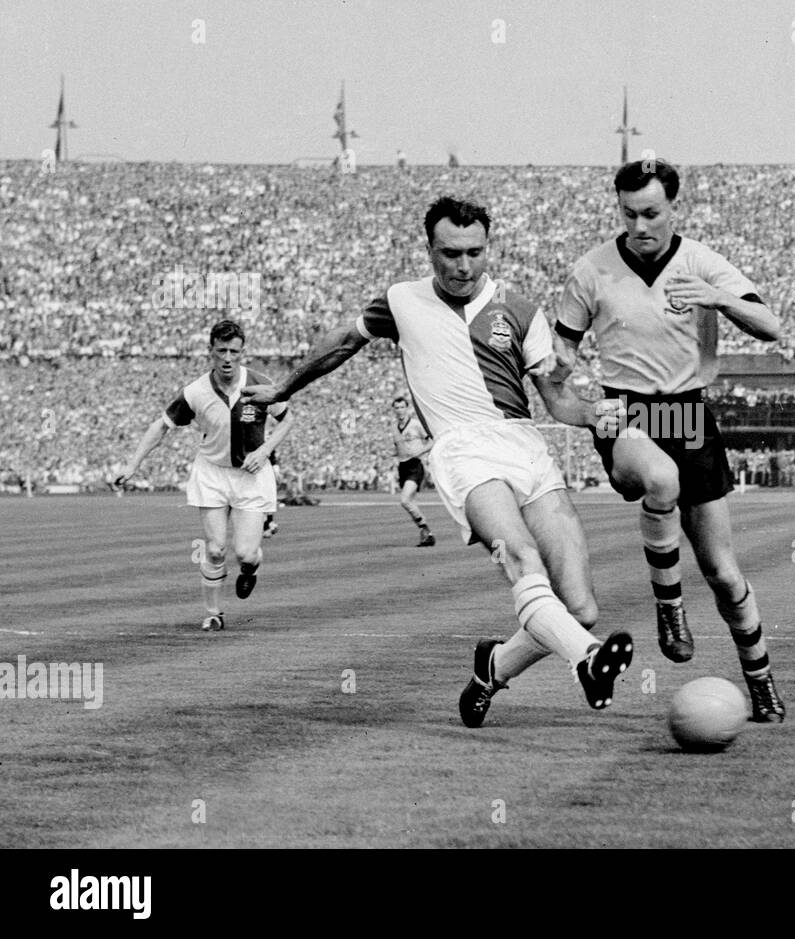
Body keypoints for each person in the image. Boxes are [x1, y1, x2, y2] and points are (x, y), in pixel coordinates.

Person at [241, 196, 633, 726]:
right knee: (519, 555)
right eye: (450, 253)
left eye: (474, 252)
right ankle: (587, 660)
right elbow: (339, 344)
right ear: (429, 249)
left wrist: (592, 416)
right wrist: (285, 387)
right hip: (462, 450)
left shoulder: (520, 311)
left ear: (488, 248)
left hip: (525, 446)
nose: (463, 265)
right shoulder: (401, 301)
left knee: (581, 609)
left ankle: (492, 667)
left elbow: (557, 400)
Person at [552, 158, 786, 722]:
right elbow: (558, 366)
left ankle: (761, 683)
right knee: (660, 479)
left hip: (690, 414)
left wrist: (717, 298)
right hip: (626, 412)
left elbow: (772, 326)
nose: (640, 226)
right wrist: (580, 408)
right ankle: (669, 607)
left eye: (651, 213)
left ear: (672, 208)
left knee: (726, 576)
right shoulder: (592, 271)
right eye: (629, 214)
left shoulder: (702, 261)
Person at [116, 320, 294, 632]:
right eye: (221, 351)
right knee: (214, 548)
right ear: (210, 351)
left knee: (246, 554)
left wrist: (264, 450)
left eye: (234, 351)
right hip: (211, 473)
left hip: (251, 475)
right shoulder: (195, 392)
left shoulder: (260, 385)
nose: (227, 358)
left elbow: (288, 420)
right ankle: (213, 612)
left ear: (242, 352)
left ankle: (251, 569)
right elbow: (161, 426)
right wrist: (132, 465)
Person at [391, 395, 437, 546]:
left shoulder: (416, 424)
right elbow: (398, 447)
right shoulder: (394, 427)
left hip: (415, 465)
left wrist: (420, 452)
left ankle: (425, 529)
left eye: (402, 407)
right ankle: (426, 534)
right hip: (402, 467)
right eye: (397, 408)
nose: (399, 410)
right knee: (409, 502)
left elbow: (432, 441)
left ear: (407, 408)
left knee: (404, 500)